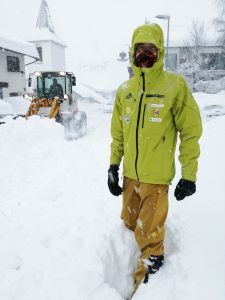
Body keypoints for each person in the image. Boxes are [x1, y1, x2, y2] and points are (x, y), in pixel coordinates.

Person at [107, 23, 202, 291]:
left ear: (159, 51)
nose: (145, 54)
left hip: (156, 182)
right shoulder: (125, 90)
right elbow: (118, 135)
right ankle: (124, 269)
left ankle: (146, 288)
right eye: (140, 49)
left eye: (150, 49)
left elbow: (191, 132)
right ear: (132, 53)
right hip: (129, 179)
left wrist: (189, 175)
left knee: (150, 239)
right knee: (128, 227)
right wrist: (113, 166)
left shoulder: (175, 86)